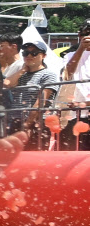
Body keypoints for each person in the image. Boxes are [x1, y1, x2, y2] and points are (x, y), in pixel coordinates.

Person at [5, 41, 57, 149]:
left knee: (35, 159)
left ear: (43, 55)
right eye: (25, 53)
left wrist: (27, 125)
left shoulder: (49, 75)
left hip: (37, 123)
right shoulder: (22, 75)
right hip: (16, 121)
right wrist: (23, 70)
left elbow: (40, 103)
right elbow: (6, 83)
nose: (29, 55)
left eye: (34, 53)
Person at [60, 20, 90, 150]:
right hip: (77, 112)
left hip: (83, 107)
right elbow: (67, 75)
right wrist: (81, 48)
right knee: (75, 149)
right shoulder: (71, 55)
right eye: (85, 34)